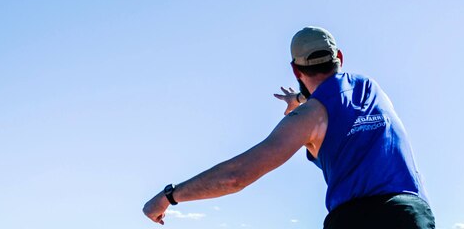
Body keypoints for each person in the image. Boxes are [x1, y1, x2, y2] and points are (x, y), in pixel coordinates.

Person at [143, 26, 435, 228]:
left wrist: (169, 196)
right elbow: (334, 92)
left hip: (355, 219)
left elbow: (236, 177)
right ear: (340, 58)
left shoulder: (308, 117)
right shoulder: (371, 88)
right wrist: (299, 98)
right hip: (409, 215)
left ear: (295, 70)